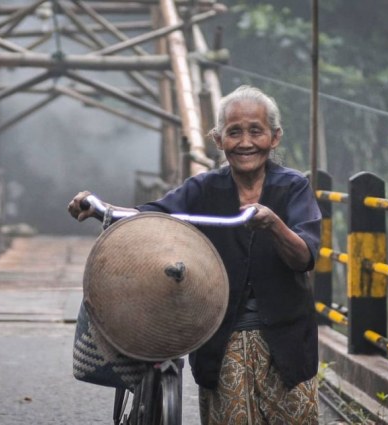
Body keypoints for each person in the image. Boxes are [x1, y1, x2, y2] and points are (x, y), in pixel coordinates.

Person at [68, 85, 321, 424]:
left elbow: (304, 256)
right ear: (219, 140)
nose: (245, 142)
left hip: (287, 340)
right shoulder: (203, 189)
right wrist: (100, 208)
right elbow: (151, 216)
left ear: (274, 138)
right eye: (234, 132)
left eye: (255, 131)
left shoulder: (293, 187)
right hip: (222, 339)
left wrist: (275, 225)